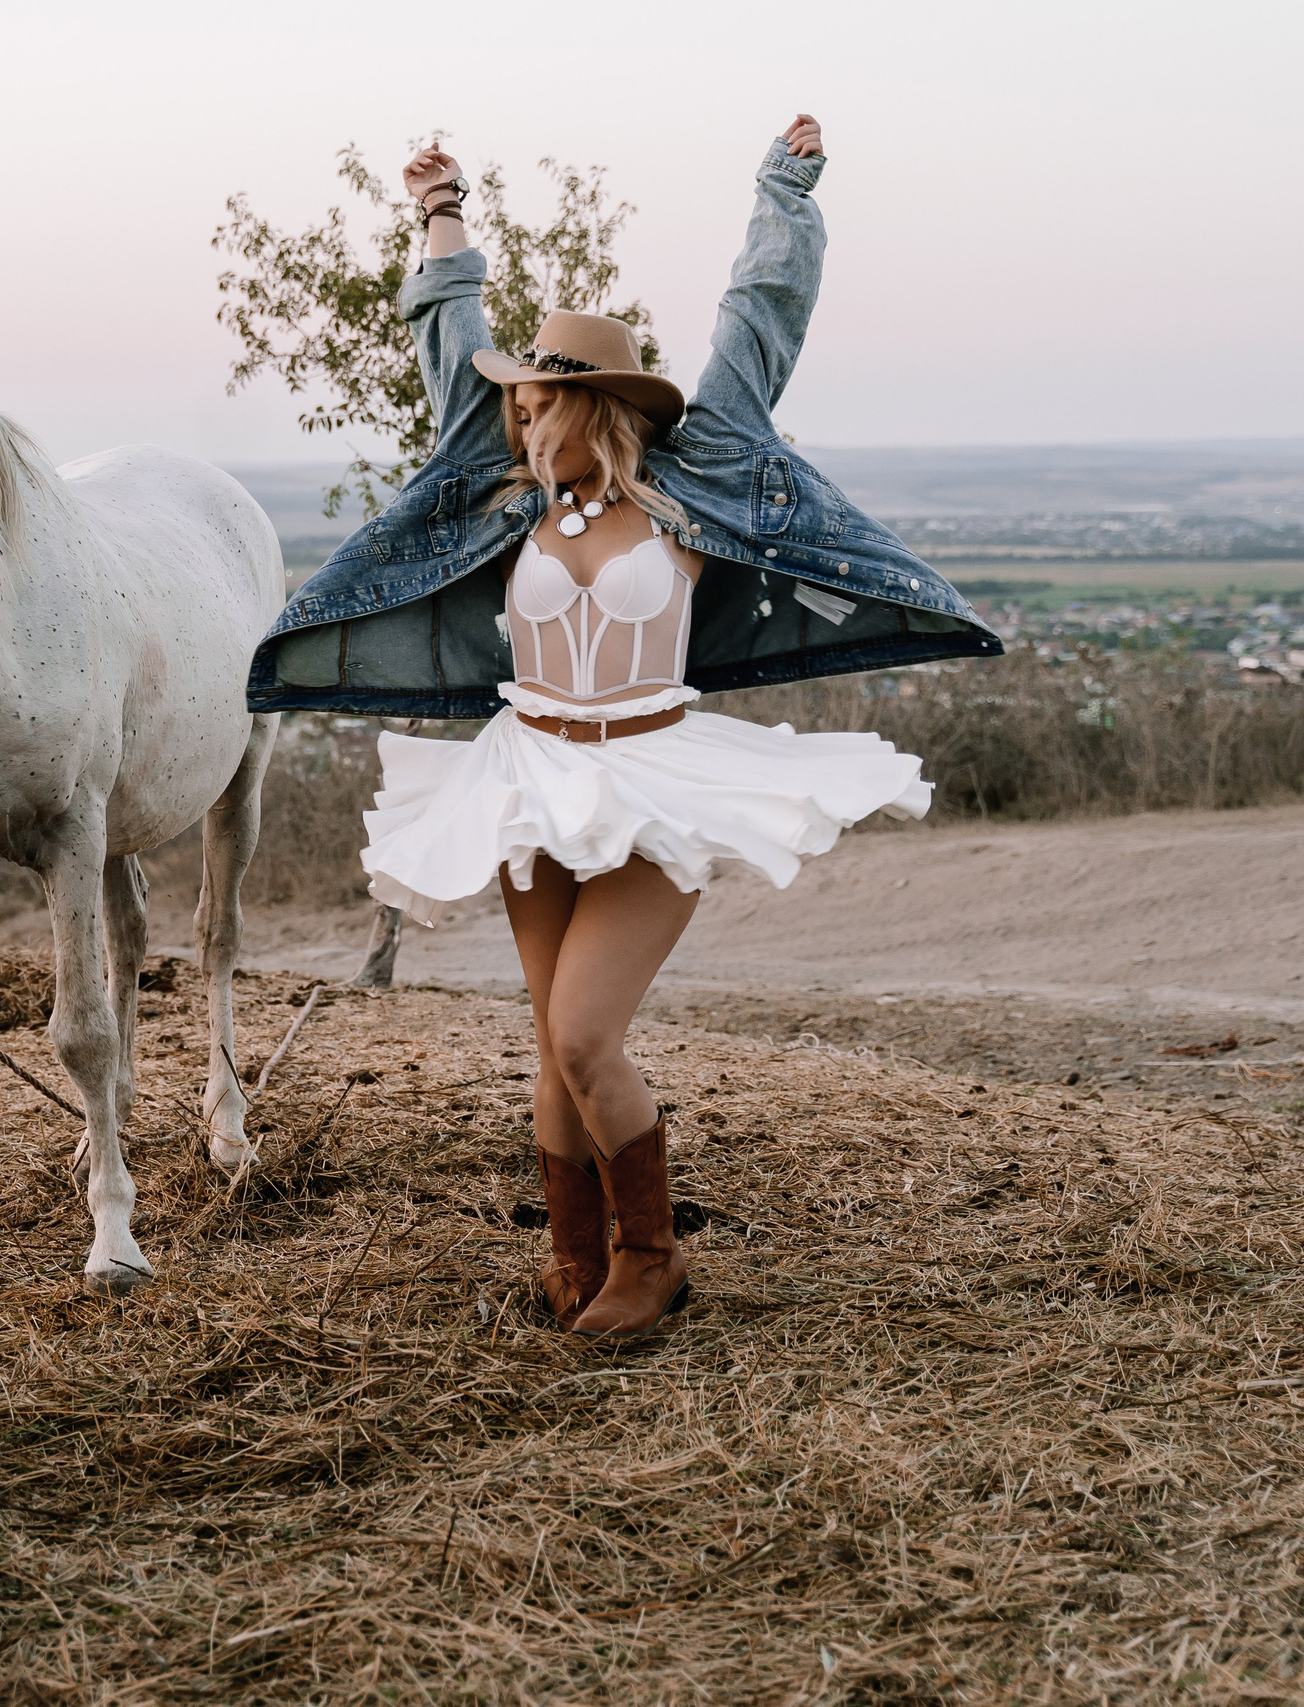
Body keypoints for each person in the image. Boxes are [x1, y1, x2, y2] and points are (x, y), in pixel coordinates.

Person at [244, 117, 1001, 1339]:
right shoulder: (501, 504)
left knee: (589, 1031)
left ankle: (652, 1259)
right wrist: (440, 207)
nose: (519, 424)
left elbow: (755, 328)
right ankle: (576, 1252)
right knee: (550, 1045)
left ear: (595, 407)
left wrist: (785, 187)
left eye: (540, 405)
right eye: (519, 406)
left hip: (654, 776)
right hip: (532, 776)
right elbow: (450, 344)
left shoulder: (693, 499)